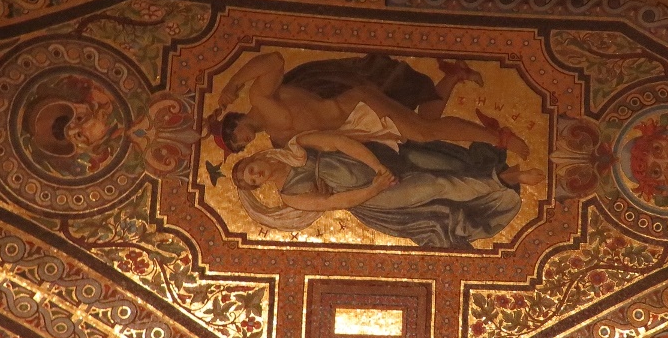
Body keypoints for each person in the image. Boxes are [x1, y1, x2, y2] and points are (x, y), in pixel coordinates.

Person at [229, 129, 543, 249]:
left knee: (439, 161)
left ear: (255, 159)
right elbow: (338, 201)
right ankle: (507, 179)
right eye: (253, 181)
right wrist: (376, 185)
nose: (256, 175)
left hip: (375, 160)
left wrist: (377, 165)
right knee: (435, 185)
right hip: (374, 195)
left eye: (250, 170)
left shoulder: (297, 145)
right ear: (260, 186)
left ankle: (500, 173)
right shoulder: (290, 195)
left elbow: (341, 143)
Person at [207, 51, 530, 159]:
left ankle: (499, 137)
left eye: (235, 138)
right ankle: (454, 75)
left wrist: (233, 83)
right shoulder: (276, 138)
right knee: (424, 124)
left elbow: (274, 60)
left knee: (423, 132)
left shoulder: (261, 100)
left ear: (235, 123)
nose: (243, 143)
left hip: (359, 102)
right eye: (239, 147)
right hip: (357, 125)